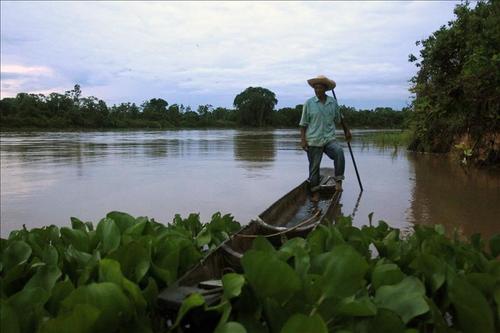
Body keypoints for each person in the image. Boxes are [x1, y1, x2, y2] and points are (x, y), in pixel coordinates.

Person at [299, 75, 351, 201]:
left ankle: (338, 181)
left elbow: (340, 118)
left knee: (339, 152)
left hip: (329, 139)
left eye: (320, 87)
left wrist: (347, 131)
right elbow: (303, 124)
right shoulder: (309, 103)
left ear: (325, 89)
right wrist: (303, 140)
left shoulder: (333, 102)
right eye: (315, 88)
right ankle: (315, 192)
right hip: (313, 139)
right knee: (314, 167)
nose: (317, 90)